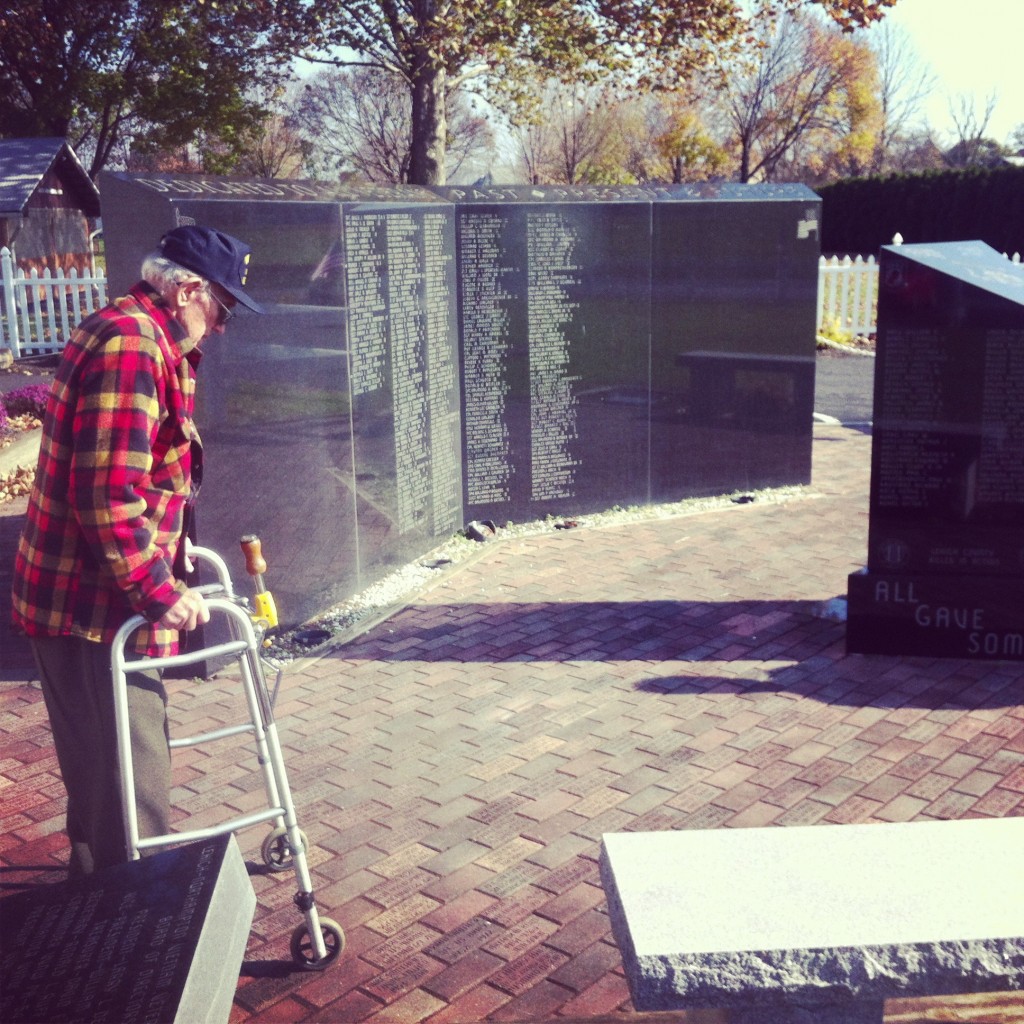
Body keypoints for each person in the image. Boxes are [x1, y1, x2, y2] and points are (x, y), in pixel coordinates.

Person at [11, 224, 265, 875]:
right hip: (92, 602)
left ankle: (97, 882)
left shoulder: (140, 333)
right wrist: (159, 593)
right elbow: (108, 492)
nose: (224, 323)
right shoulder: (131, 345)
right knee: (132, 762)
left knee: (102, 762)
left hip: (82, 591)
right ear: (186, 291)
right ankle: (132, 910)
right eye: (222, 306)